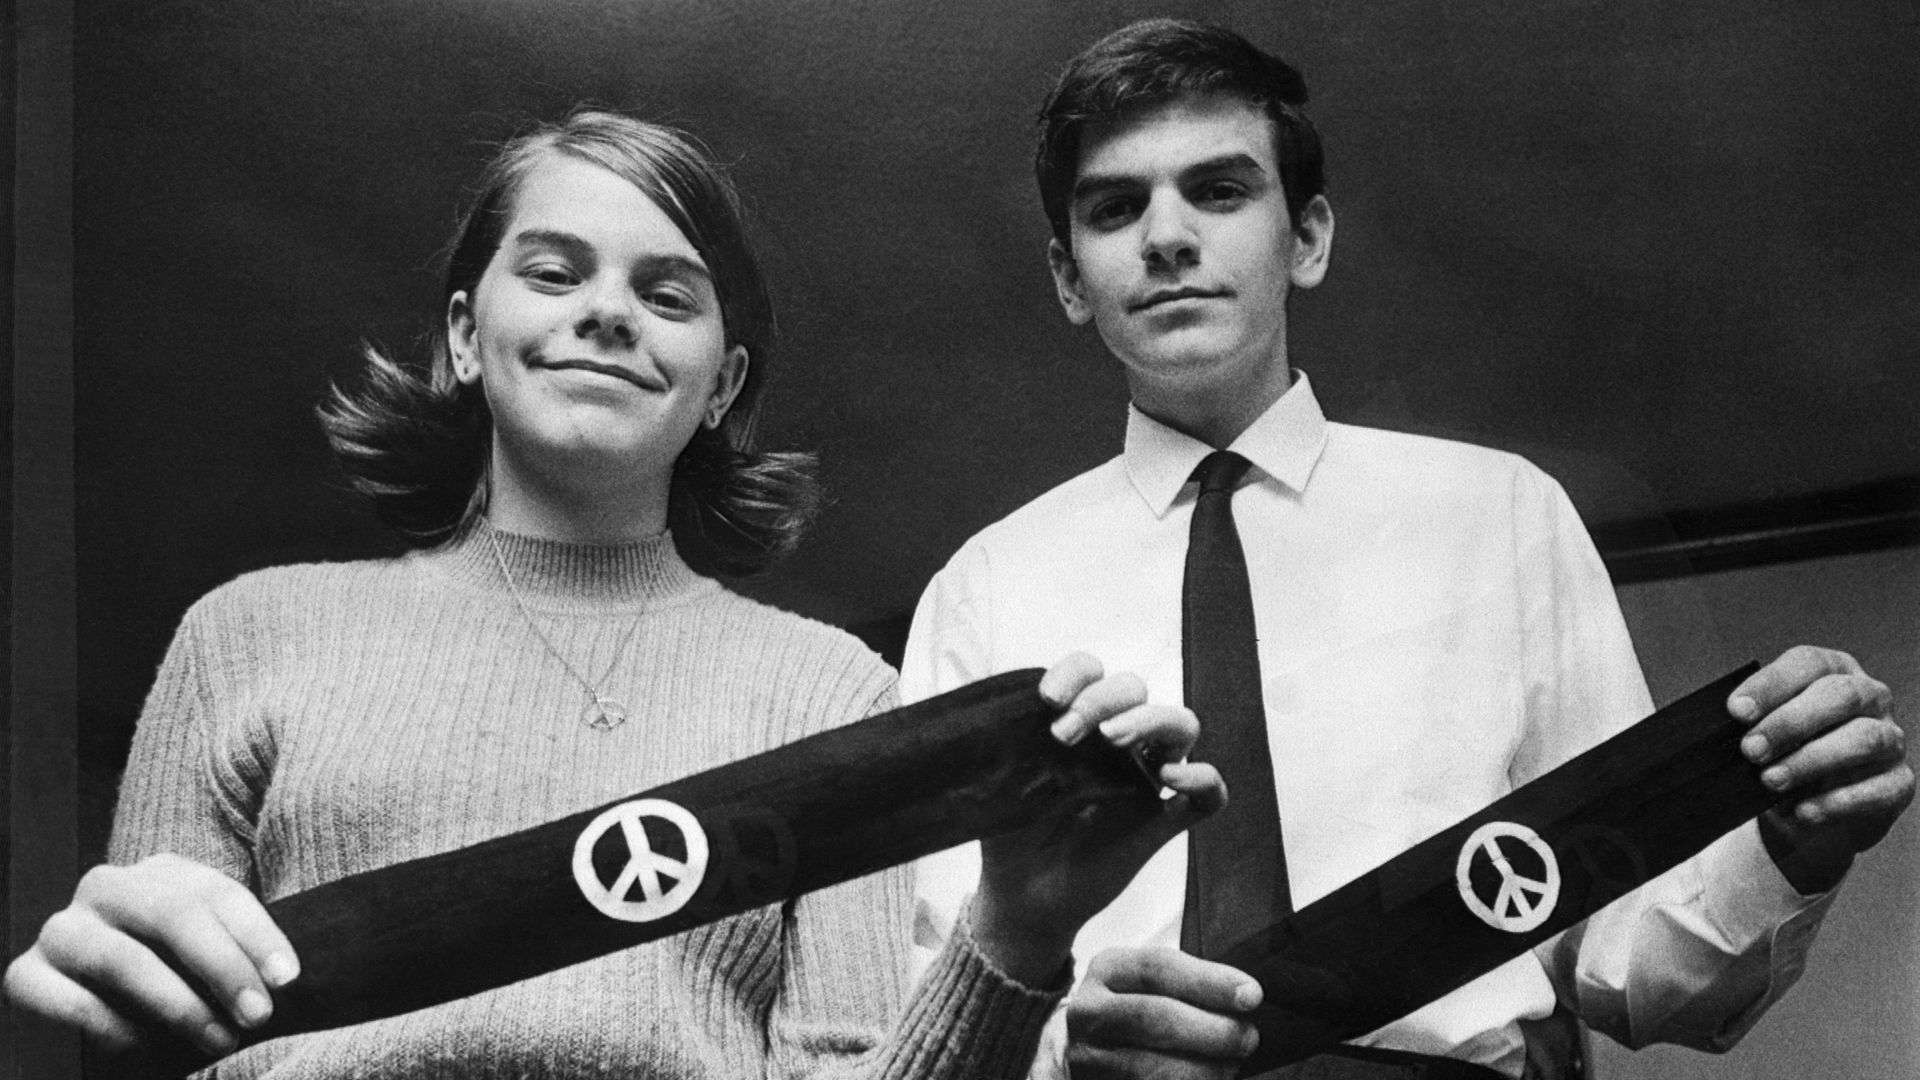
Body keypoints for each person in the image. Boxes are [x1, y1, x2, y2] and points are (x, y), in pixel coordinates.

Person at [3, 109, 1228, 1079]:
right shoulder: (245, 637)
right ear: (462, 336)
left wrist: (1016, 932)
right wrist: (93, 1005)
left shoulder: (833, 693)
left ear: (720, 380)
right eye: (552, 271)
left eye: (668, 292)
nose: (606, 311)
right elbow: (141, 1038)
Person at [903, 18, 1913, 1080]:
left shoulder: (1501, 516)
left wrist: (1794, 843)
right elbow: (935, 990)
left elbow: (1626, 962)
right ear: (1070, 278)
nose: (1166, 236)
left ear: (1308, 239)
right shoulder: (984, 591)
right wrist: (1066, 1048)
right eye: (1116, 207)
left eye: (1219, 191)